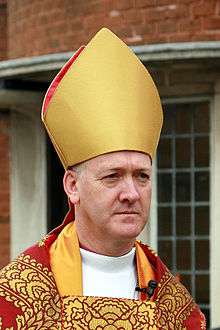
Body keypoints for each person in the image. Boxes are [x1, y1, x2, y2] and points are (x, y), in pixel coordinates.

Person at [0, 28, 205, 329]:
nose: (131, 193)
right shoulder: (17, 296)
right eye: (113, 176)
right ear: (72, 186)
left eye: (142, 176)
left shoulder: (177, 308)